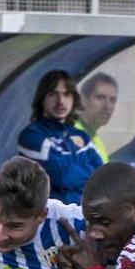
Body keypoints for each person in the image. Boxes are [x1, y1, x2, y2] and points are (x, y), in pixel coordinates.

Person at [17, 69, 103, 205]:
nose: (60, 101)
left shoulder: (81, 136)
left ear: (74, 99)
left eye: (67, 94)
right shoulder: (31, 135)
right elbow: (62, 177)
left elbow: (102, 175)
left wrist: (72, 169)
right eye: (53, 94)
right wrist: (87, 169)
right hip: (47, 218)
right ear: (42, 99)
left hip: (83, 216)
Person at [76, 72, 118, 163]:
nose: (107, 106)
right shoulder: (70, 135)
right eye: (100, 98)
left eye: (112, 100)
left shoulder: (97, 141)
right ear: (83, 100)